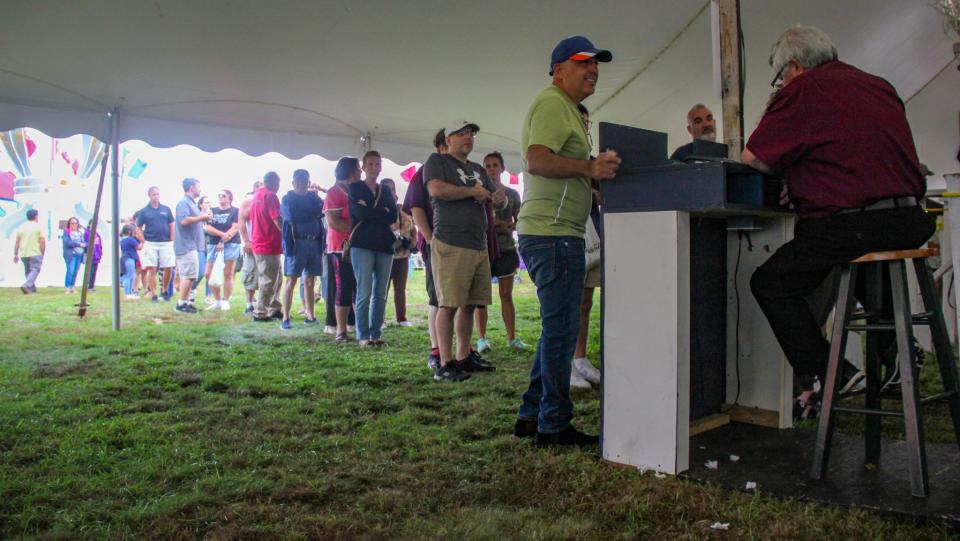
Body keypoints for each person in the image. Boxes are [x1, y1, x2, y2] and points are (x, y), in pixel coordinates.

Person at [742, 25, 934, 418]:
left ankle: (831, 372)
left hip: (853, 223)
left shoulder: (804, 89)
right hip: (910, 218)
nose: (781, 83)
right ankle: (894, 350)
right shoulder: (878, 84)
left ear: (794, 66)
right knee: (853, 256)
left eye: (781, 76)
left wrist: (789, 172)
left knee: (770, 283)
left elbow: (753, 157)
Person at [514, 36, 620, 446]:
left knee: (555, 330)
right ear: (559, 69)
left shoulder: (570, 110)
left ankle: (530, 415)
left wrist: (590, 179)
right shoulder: (552, 104)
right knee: (560, 332)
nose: (593, 69)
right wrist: (588, 166)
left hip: (556, 234)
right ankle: (553, 425)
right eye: (582, 63)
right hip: (552, 235)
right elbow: (537, 159)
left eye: (597, 63)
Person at [424, 119, 506, 381]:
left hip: (478, 244)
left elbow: (495, 198)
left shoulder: (478, 169)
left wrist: (499, 197)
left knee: (470, 304)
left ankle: (463, 357)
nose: (468, 137)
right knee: (448, 305)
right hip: (451, 242)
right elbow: (436, 190)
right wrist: (473, 192)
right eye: (461, 134)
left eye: (470, 133)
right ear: (448, 140)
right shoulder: (438, 162)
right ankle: (444, 363)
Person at [403, 129, 448, 368]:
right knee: (437, 299)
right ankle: (436, 350)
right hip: (437, 245)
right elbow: (416, 208)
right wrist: (430, 239)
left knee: (461, 300)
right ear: (442, 146)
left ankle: (463, 349)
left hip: (462, 246)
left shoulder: (463, 173)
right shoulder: (425, 173)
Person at [474, 151, 526, 353]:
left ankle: (512, 337)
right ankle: (481, 339)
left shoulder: (512, 194)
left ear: (502, 168)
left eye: (495, 165)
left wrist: (507, 226)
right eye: (487, 166)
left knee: (506, 295)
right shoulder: (479, 193)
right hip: (483, 249)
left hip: (505, 249)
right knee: (481, 297)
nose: (491, 169)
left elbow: (520, 221)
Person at [348, 151, 398, 346]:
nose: (374, 168)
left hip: (384, 245)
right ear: (363, 166)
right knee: (364, 291)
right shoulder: (356, 188)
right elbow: (360, 213)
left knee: (380, 293)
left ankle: (375, 334)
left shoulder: (385, 190)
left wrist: (373, 211)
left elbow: (393, 216)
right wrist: (381, 212)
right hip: (362, 244)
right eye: (371, 164)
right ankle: (362, 336)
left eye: (378, 164)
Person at [571, 104, 602, 389]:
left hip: (592, 241)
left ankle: (580, 359)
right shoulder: (556, 157)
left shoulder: (592, 162)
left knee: (585, 301)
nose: (583, 126)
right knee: (565, 303)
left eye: (586, 122)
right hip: (566, 237)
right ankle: (565, 363)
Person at [279, 169, 325, 329]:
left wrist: (310, 213)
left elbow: (322, 210)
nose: (301, 184)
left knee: (310, 280)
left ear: (308, 182)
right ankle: (285, 316)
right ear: (293, 183)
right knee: (291, 280)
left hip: (314, 242)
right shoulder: (287, 199)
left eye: (304, 181)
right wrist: (313, 213)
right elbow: (292, 215)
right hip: (296, 242)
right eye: (298, 181)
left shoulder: (314, 197)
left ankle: (310, 315)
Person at [324, 157, 361, 341]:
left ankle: (357, 325)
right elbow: (334, 222)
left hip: (358, 246)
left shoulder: (355, 191)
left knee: (358, 286)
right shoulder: (334, 192)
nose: (361, 172)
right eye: (358, 169)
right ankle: (341, 330)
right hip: (340, 248)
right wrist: (359, 226)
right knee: (344, 287)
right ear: (350, 172)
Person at [249, 172, 284, 321]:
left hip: (261, 242)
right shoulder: (270, 196)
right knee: (268, 279)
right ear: (275, 182)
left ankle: (273, 307)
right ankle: (260, 312)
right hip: (267, 243)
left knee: (276, 277)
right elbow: (277, 219)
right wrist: (287, 235)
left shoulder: (257, 195)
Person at [174, 178, 212, 313]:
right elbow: (184, 220)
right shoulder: (183, 203)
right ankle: (181, 304)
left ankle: (186, 302)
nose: (200, 190)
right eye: (198, 187)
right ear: (191, 188)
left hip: (193, 245)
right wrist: (202, 217)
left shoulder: (192, 203)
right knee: (188, 275)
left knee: (192, 275)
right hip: (186, 245)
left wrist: (204, 214)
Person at [382, 178, 416, 327]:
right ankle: (380, 318)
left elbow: (412, 229)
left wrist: (410, 242)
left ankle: (401, 317)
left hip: (402, 255)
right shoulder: (378, 211)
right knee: (382, 289)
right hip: (384, 255)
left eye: (392, 189)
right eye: (387, 190)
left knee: (400, 289)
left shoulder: (402, 212)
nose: (391, 193)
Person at [203, 189, 241, 311]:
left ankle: (226, 300)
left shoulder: (235, 211)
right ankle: (218, 300)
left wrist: (224, 240)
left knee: (228, 273)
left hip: (231, 244)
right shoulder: (213, 211)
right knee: (208, 273)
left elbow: (235, 227)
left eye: (223, 196)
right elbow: (207, 227)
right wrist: (221, 235)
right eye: (219, 195)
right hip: (213, 244)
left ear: (229, 198)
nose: (220, 197)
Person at [136, 186, 175, 302]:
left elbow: (171, 224)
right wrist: (143, 240)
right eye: (154, 194)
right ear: (149, 195)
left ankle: (164, 290)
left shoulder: (166, 209)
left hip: (166, 242)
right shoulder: (144, 211)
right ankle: (154, 293)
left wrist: (172, 239)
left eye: (158, 194)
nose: (156, 196)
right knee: (152, 268)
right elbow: (138, 227)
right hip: (151, 242)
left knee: (169, 267)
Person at [238, 180, 263, 314]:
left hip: (265, 245)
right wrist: (247, 241)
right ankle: (249, 305)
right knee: (251, 273)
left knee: (266, 275)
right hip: (252, 244)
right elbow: (241, 220)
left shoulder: (268, 199)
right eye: (261, 187)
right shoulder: (249, 200)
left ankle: (262, 304)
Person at [13, 209, 45, 294]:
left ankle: (31, 288)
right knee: (35, 269)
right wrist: (42, 252)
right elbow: (42, 241)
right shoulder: (38, 227)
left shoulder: (21, 228)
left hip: (24, 253)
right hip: (35, 252)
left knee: (28, 271)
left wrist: (15, 254)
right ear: (36, 216)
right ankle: (27, 285)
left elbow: (17, 242)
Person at [61, 216, 86, 294]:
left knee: (75, 271)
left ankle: (72, 287)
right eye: (72, 223)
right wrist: (78, 244)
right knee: (70, 271)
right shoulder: (66, 232)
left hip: (79, 254)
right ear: (69, 224)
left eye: (75, 223)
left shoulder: (80, 233)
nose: (74, 225)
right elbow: (67, 242)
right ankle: (67, 287)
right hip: (71, 254)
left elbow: (84, 242)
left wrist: (85, 245)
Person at [120, 223, 142, 299]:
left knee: (130, 276)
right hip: (130, 259)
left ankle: (129, 293)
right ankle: (127, 293)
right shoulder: (130, 239)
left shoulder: (123, 239)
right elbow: (139, 247)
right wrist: (143, 241)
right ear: (130, 232)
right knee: (129, 276)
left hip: (125, 258)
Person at [83, 220, 103, 291]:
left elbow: (99, 244)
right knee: (90, 271)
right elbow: (86, 243)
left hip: (96, 255)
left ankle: (92, 286)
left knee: (94, 271)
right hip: (90, 255)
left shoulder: (97, 234)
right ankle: (88, 286)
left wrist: (100, 252)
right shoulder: (87, 233)